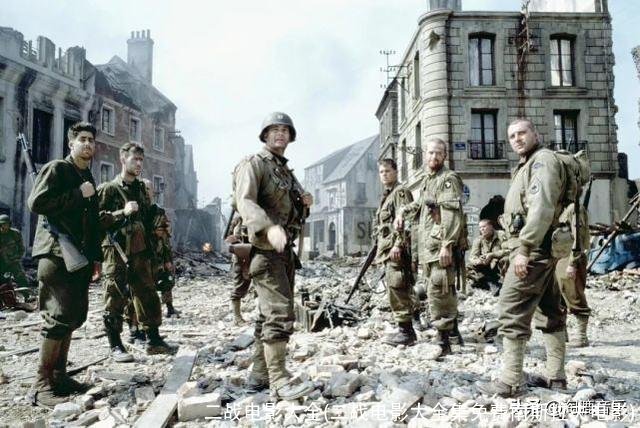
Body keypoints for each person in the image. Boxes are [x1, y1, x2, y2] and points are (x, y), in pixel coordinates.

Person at [477, 118, 568, 397]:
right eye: (512, 136)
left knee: (511, 308)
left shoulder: (542, 161)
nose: (517, 139)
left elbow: (541, 208)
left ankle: (510, 381)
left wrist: (525, 249)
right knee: (550, 311)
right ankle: (556, 377)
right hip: (541, 248)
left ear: (535, 134)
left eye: (522, 133)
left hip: (534, 250)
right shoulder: (527, 164)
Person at [234, 112, 315, 400]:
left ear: (290, 137)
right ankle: (279, 380)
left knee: (267, 315)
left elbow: (291, 210)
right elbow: (245, 201)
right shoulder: (254, 164)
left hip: (284, 253)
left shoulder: (284, 171)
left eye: (285, 130)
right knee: (280, 314)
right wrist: (268, 228)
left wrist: (305, 204)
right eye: (275, 130)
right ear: (265, 135)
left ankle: (259, 375)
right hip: (265, 252)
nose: (280, 134)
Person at [27, 122, 104, 406]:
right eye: (82, 139)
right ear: (71, 143)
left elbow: (92, 223)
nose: (88, 144)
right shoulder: (58, 169)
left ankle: (59, 376)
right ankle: (41, 386)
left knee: (73, 316)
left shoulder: (87, 176)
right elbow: (36, 203)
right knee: (57, 317)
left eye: (91, 140)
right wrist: (78, 194)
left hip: (78, 258)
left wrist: (96, 257)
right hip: (55, 254)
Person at [98, 143, 175, 362]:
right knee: (114, 295)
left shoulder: (141, 189)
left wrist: (160, 224)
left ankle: (153, 339)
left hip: (140, 250)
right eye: (135, 159)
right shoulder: (108, 189)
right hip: (116, 250)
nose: (139, 164)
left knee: (147, 293)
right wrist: (122, 212)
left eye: (141, 160)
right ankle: (115, 345)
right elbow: (96, 220)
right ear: (123, 159)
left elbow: (148, 217)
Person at [395, 138, 466, 357]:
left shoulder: (448, 179)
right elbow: (420, 205)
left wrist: (447, 245)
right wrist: (402, 211)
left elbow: (452, 215)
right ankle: (453, 334)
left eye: (438, 153)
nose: (434, 157)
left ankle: (443, 341)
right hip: (429, 247)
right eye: (430, 153)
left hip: (440, 247)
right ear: (425, 155)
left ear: (445, 156)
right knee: (440, 288)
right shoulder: (429, 180)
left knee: (439, 289)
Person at [371, 158, 416, 346]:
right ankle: (404, 328)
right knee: (394, 286)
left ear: (396, 172)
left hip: (397, 250)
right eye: (381, 172)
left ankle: (406, 332)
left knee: (398, 286)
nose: (384, 175)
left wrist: (398, 244)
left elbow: (406, 221)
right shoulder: (387, 195)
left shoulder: (400, 192)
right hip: (387, 249)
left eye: (388, 171)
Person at [555, 201, 591, 347]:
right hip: (559, 257)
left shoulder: (574, 208)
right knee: (559, 297)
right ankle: (562, 334)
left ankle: (581, 336)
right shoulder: (559, 207)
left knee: (574, 294)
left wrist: (573, 263)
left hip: (570, 258)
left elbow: (578, 237)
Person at [142, 178, 178, 318]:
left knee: (166, 281)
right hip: (141, 254)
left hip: (158, 254)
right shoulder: (136, 211)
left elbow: (165, 237)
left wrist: (167, 259)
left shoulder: (159, 212)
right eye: (143, 189)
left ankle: (169, 307)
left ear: (153, 192)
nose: (146, 192)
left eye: (148, 189)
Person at [467, 219, 508, 294]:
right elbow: (472, 257)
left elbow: (508, 251)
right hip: (485, 266)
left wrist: (492, 255)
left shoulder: (501, 235)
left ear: (491, 227)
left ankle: (505, 284)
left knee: (506, 260)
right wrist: (478, 261)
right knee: (468, 267)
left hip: (497, 266)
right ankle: (486, 282)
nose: (482, 229)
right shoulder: (478, 239)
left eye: (484, 227)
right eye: (480, 228)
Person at [225, 213, 252, 325]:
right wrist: (236, 241)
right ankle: (237, 317)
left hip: (257, 255)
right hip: (241, 257)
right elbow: (227, 237)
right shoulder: (238, 219)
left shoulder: (258, 216)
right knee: (239, 286)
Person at [0, 214, 29, 289]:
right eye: (2, 224)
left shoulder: (15, 234)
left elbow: (21, 248)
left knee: (21, 278)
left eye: (5, 224)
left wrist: (17, 258)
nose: (3, 226)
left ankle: (26, 293)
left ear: (9, 224)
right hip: (1, 262)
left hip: (13, 261)